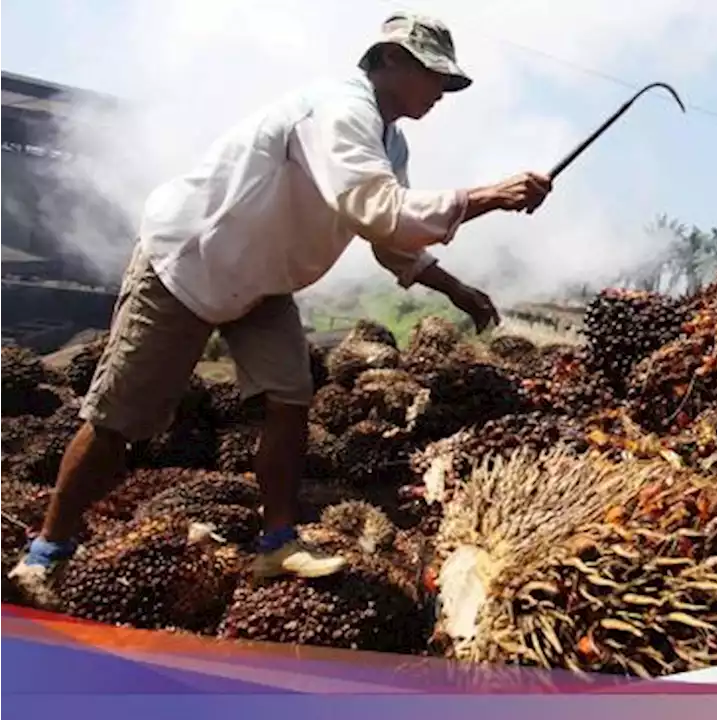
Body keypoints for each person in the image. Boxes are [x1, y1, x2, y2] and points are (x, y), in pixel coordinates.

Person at [7, 12, 552, 594]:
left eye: (448, 81)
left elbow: (391, 239)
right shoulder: (339, 110)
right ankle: (46, 551)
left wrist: (458, 290)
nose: (442, 92)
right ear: (389, 60)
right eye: (433, 75)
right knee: (119, 422)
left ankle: (277, 543)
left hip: (262, 284)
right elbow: (376, 208)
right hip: (189, 266)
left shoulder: (391, 140)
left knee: (290, 398)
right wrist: (487, 196)